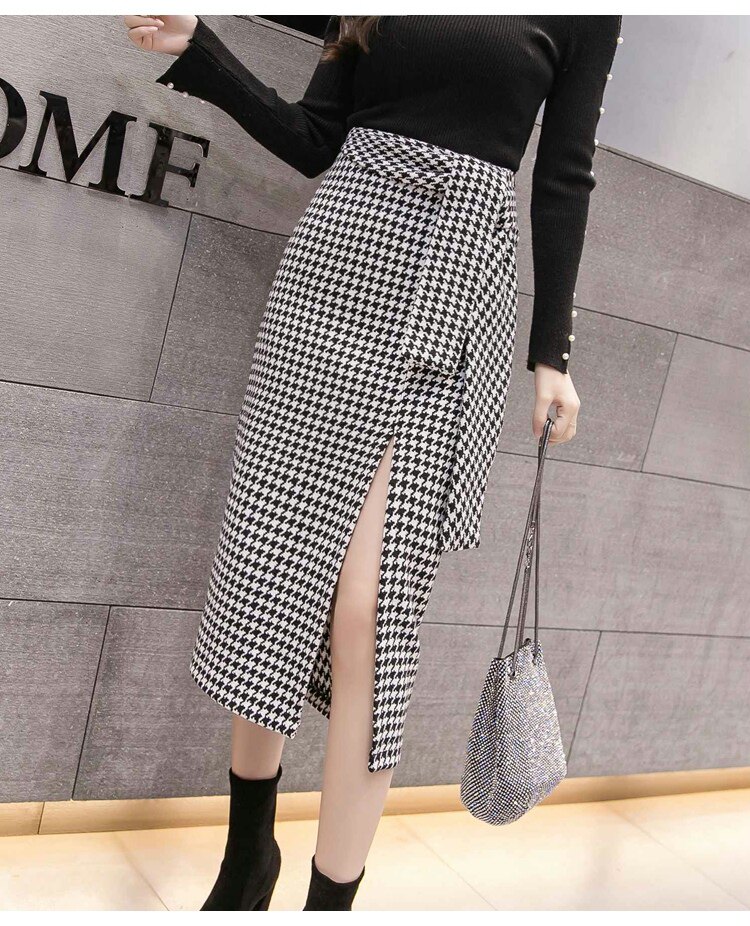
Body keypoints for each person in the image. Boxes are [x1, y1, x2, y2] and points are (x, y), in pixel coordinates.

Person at [123, 13, 621, 911]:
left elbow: (564, 172)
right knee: (271, 576)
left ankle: (332, 900)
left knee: (368, 617)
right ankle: (247, 859)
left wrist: (552, 352)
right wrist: (202, 49)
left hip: (450, 293)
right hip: (332, 275)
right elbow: (316, 136)